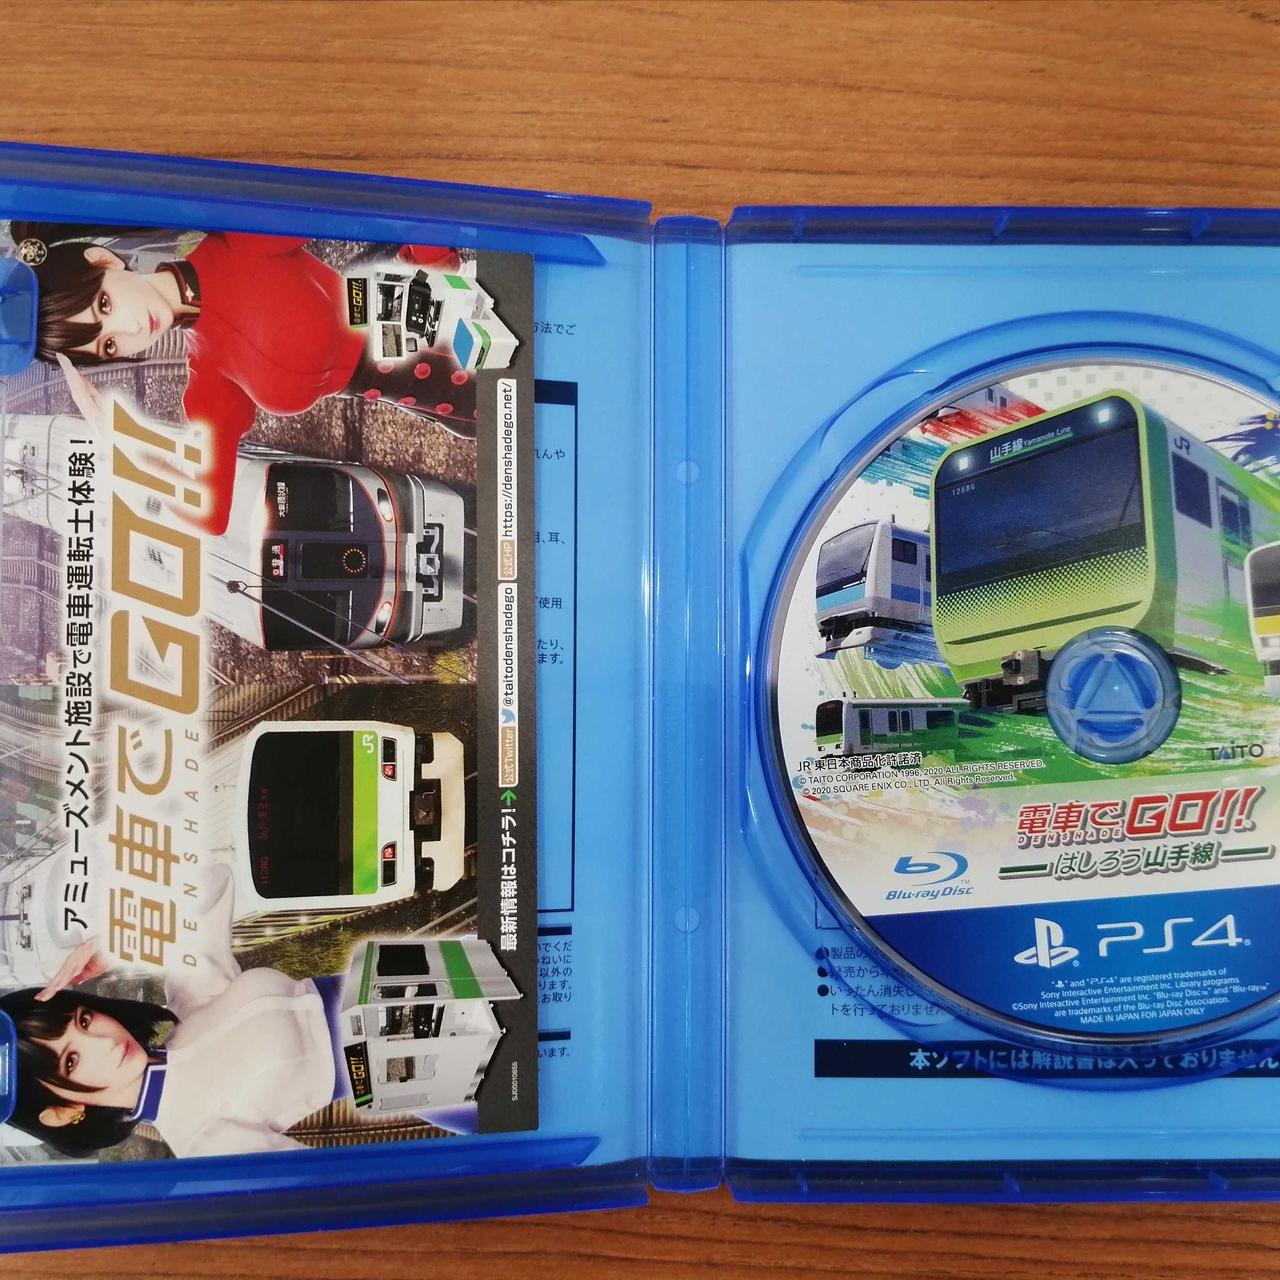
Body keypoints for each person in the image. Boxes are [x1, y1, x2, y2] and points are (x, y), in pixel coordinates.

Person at [7, 220, 478, 534]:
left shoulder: (235, 240)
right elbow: (210, 514)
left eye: (105, 305)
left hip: (467, 316)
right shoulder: (209, 378)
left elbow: (355, 200)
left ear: (103, 261)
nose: (130, 330)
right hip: (463, 410)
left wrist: (436, 257)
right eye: (108, 346)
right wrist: (121, 444)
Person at [0, 865, 346, 1158]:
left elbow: (213, 881)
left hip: (370, 973)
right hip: (372, 1060)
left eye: (84, 1020)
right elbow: (324, 1185)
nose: (104, 1042)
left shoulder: (191, 1003)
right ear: (62, 1113)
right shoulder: (198, 1137)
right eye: (71, 1061)